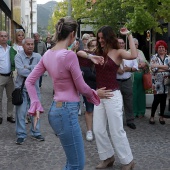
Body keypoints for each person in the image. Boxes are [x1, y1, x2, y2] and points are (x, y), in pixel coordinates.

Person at [25, 17, 109, 170]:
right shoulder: (68, 55)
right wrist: (95, 93)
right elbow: (82, 87)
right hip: (67, 112)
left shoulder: (49, 54)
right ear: (72, 34)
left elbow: (29, 81)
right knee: (76, 164)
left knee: (72, 163)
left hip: (56, 112)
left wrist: (35, 103)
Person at [77, 26, 137, 170]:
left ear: (109, 37)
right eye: (99, 38)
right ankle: (107, 157)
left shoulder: (118, 52)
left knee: (116, 130)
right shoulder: (98, 52)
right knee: (98, 129)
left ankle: (128, 161)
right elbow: (79, 52)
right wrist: (91, 56)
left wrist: (129, 35)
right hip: (99, 95)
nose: (100, 40)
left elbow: (134, 55)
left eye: (103, 38)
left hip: (112, 95)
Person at [14, 37, 45, 145]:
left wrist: (28, 67)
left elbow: (40, 71)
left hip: (34, 89)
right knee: (21, 112)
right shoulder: (18, 56)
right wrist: (34, 69)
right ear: (23, 45)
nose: (30, 46)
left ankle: (36, 132)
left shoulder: (38, 56)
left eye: (32, 44)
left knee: (36, 112)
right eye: (28, 44)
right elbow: (21, 71)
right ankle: (21, 134)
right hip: (21, 89)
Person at [77, 37, 97, 141]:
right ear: (88, 47)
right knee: (89, 109)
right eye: (92, 46)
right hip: (87, 86)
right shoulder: (85, 56)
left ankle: (98, 130)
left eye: (96, 46)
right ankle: (89, 130)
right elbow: (79, 52)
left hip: (99, 86)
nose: (95, 48)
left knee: (98, 111)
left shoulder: (102, 55)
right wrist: (90, 56)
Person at [117, 38, 138, 129]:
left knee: (128, 101)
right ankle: (117, 121)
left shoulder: (130, 55)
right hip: (116, 81)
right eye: (119, 43)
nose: (121, 44)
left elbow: (136, 67)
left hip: (127, 81)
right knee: (116, 102)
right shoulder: (114, 55)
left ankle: (130, 120)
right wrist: (117, 69)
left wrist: (127, 69)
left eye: (122, 43)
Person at [149, 40, 170, 125]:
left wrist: (157, 66)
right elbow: (153, 70)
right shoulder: (154, 57)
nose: (161, 49)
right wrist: (165, 67)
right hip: (156, 83)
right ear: (157, 48)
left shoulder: (168, 57)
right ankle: (152, 116)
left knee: (164, 100)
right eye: (159, 47)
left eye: (162, 47)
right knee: (156, 100)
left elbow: (169, 68)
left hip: (166, 82)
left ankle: (161, 116)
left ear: (165, 49)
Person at [129, 38, 148, 118]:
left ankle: (141, 111)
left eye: (136, 44)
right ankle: (134, 112)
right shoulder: (128, 52)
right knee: (133, 94)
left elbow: (146, 62)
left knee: (141, 94)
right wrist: (139, 65)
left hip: (141, 75)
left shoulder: (140, 52)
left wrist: (145, 64)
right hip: (132, 76)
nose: (135, 46)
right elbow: (128, 64)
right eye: (133, 44)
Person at [0, 31, 15, 124]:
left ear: (8, 37)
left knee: (11, 97)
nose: (3, 38)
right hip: (0, 76)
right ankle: (0, 116)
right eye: (1, 36)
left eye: (5, 36)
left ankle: (10, 115)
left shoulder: (11, 49)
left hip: (10, 77)